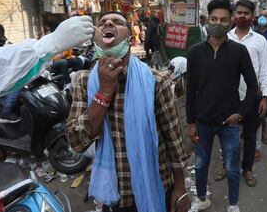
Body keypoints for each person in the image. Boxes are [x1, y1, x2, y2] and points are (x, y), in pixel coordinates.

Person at [65, 11, 190, 212]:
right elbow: (77, 142)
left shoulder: (156, 81)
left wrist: (180, 188)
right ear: (95, 37)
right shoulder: (84, 82)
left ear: (131, 40)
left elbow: (174, 143)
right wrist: (104, 91)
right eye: (103, 23)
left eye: (117, 22)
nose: (108, 24)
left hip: (157, 185)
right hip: (114, 196)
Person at [0, 16, 93, 161]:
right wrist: (48, 45)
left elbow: (12, 57)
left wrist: (45, 55)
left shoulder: (2, 46)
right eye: (1, 35)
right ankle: (5, 115)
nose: (4, 37)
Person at [186, 0, 258, 212]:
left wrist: (241, 114)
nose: (218, 22)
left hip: (230, 123)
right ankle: (201, 199)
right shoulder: (195, 52)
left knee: (232, 167)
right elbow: (190, 89)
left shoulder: (239, 51)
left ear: (231, 22)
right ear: (208, 20)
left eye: (224, 19)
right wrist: (191, 122)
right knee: (200, 164)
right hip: (203, 122)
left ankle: (233, 204)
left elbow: (253, 87)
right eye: (214, 18)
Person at [225, 0, 267, 187]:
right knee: (229, 137)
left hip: (252, 97)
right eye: (239, 12)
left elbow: (265, 70)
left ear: (252, 16)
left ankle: (248, 169)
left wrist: (265, 97)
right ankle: (227, 166)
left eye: (246, 13)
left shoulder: (260, 40)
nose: (242, 16)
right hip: (229, 98)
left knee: (250, 137)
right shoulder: (226, 38)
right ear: (234, 15)